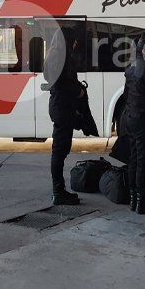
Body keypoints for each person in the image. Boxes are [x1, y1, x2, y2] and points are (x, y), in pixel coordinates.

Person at [44, 28, 86, 206]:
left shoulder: (53, 57)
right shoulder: (60, 60)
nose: (75, 44)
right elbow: (65, 85)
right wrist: (79, 91)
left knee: (59, 150)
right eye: (73, 41)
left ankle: (59, 190)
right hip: (62, 108)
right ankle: (58, 192)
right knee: (59, 151)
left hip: (59, 107)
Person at [123, 34, 145, 214]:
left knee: (134, 158)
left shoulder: (132, 66)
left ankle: (132, 199)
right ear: (144, 49)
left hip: (130, 116)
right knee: (143, 160)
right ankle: (142, 202)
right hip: (142, 117)